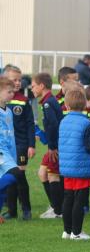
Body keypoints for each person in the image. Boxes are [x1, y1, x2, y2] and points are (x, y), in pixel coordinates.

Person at [58, 89, 90, 240]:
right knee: (79, 200)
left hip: (67, 167)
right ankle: (77, 232)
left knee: (68, 198)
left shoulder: (63, 121)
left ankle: (66, 231)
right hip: (81, 166)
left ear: (67, 106)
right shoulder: (86, 123)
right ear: (84, 105)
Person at [2, 65, 34, 221]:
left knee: (18, 176)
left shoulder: (21, 101)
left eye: (19, 80)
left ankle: (26, 209)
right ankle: (12, 210)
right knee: (11, 177)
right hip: (5, 149)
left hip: (19, 145)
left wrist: (31, 145)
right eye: (14, 79)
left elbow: (30, 124)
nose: (18, 83)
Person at [31, 73, 64, 219]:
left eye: (33, 86)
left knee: (52, 175)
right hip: (54, 144)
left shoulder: (48, 103)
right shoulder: (48, 101)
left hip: (55, 146)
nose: (32, 89)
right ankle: (56, 206)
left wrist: (52, 146)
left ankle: (58, 211)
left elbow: (53, 125)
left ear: (41, 86)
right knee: (42, 173)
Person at [0, 77, 19, 225]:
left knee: (6, 184)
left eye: (13, 91)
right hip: (1, 151)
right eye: (8, 91)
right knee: (14, 175)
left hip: (10, 151)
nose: (12, 94)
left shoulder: (9, 111)